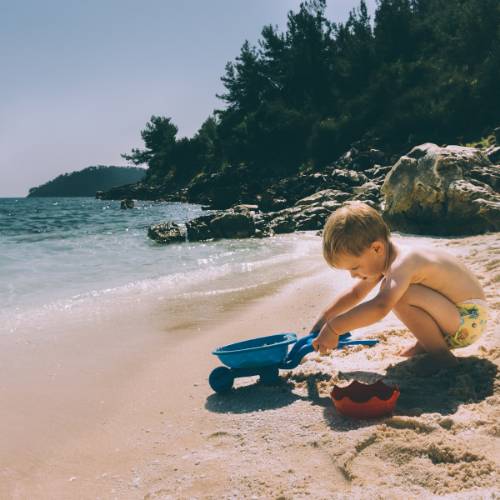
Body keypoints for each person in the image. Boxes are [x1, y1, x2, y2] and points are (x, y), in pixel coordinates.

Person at [311, 202, 488, 370]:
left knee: (399, 296)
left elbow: (381, 307)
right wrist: (324, 320)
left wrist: (336, 328)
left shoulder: (403, 263)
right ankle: (427, 344)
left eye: (355, 267)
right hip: (453, 315)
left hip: (468, 319)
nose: (353, 275)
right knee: (398, 291)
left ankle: (441, 356)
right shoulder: (383, 259)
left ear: (376, 249)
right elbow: (356, 293)